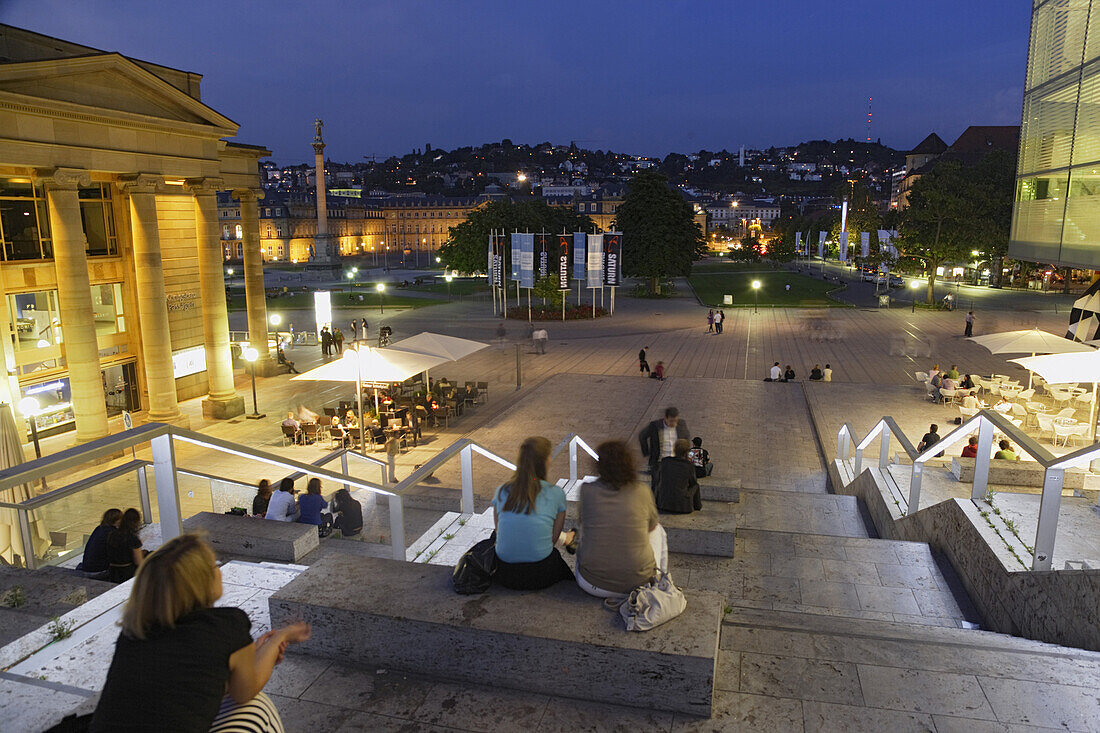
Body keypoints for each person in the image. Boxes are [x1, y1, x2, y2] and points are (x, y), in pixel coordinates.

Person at [90, 534, 310, 733]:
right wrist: (279, 639)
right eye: (213, 565)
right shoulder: (225, 626)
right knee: (257, 711)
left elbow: (194, 677)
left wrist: (250, 652)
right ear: (200, 582)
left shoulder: (134, 632)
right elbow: (245, 691)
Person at [575, 440, 668, 598]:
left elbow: (582, 522)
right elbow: (651, 527)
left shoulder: (586, 491)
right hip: (640, 583)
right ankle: (662, 582)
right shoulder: (642, 491)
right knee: (658, 530)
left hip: (591, 583)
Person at [490, 437, 574, 590]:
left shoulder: (501, 491)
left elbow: (498, 531)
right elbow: (552, 541)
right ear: (545, 462)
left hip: (505, 573)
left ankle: (569, 538)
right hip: (539, 574)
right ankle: (570, 538)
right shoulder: (556, 493)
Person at [638, 407, 690, 487]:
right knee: (656, 484)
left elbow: (686, 438)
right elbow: (642, 436)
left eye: (675, 421)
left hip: (675, 461)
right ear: (665, 418)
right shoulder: (655, 426)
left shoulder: (681, 424)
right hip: (659, 462)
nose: (673, 423)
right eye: (671, 421)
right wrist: (647, 453)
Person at [655, 439, 701, 514]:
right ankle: (697, 507)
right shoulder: (689, 465)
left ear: (674, 449)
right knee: (695, 485)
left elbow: (658, 480)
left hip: (663, 504)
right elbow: (693, 483)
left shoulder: (665, 462)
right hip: (682, 506)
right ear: (687, 452)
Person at [78, 508, 121, 578]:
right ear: (116, 520)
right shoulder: (112, 533)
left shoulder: (99, 528)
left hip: (86, 568)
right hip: (98, 571)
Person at [106, 508, 145, 584]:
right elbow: (138, 562)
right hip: (127, 573)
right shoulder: (132, 538)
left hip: (113, 571)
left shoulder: (112, 534)